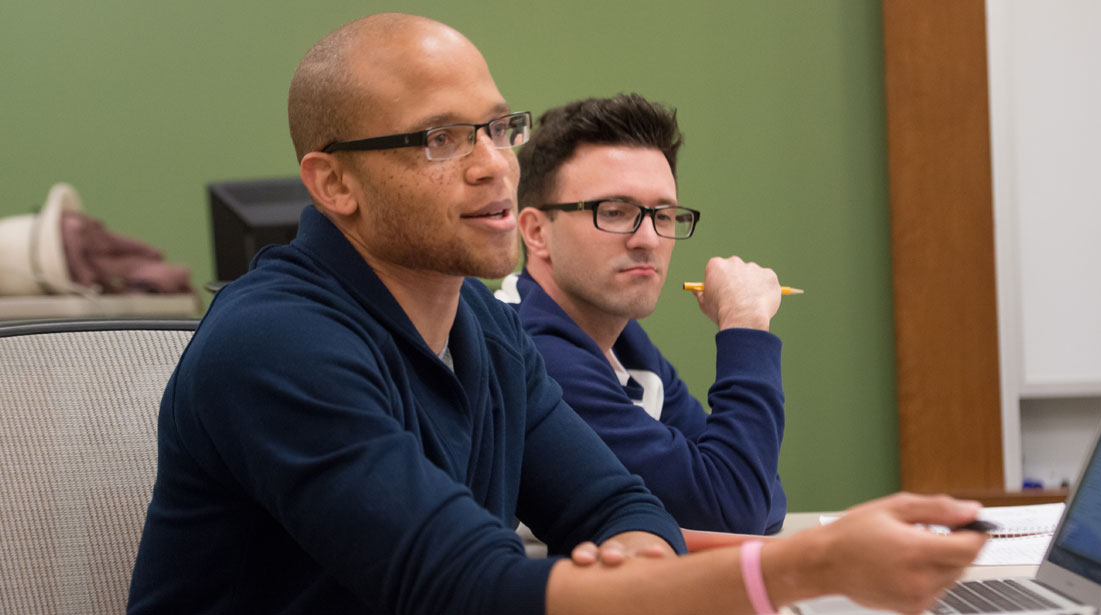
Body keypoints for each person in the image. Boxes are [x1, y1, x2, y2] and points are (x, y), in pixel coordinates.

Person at [128, 13, 988, 615]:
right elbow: (468, 591)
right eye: (438, 139)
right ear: (333, 183)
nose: (493, 165)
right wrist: (812, 565)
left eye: (499, 128)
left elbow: (621, 506)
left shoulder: (485, 328)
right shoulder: (277, 344)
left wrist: (637, 572)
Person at [502, 93, 786, 534]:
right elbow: (735, 508)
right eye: (615, 212)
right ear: (536, 233)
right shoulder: (531, 350)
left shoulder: (626, 346)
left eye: (665, 214)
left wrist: (738, 492)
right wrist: (745, 325)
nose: (649, 239)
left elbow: (755, 489)